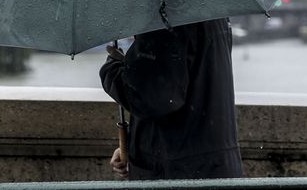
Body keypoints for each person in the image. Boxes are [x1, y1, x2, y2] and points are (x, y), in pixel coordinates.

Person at [100, 18, 244, 180]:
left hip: (178, 171)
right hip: (213, 164)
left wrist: (111, 71)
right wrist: (133, 148)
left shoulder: (163, 16)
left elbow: (153, 98)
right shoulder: (211, 14)